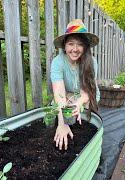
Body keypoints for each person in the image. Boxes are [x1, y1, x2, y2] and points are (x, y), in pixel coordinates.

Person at [50, 19, 100, 150]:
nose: (75, 49)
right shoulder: (57, 62)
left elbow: (88, 90)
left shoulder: (92, 62)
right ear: (64, 46)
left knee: (85, 118)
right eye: (71, 44)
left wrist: (79, 103)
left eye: (79, 44)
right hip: (68, 94)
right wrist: (62, 124)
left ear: (85, 47)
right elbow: (59, 93)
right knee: (60, 109)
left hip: (87, 94)